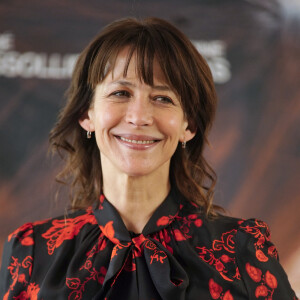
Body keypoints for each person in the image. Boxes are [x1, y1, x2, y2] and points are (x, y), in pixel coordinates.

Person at [0, 17, 297, 300]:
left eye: (162, 98)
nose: (139, 117)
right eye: (120, 93)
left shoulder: (241, 249)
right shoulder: (32, 252)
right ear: (85, 114)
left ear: (188, 126)